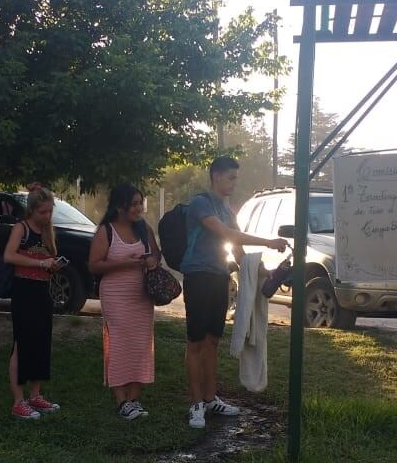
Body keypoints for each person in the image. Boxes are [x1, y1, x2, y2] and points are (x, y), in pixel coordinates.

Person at [181, 156, 287, 429]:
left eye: (235, 178)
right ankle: (195, 404)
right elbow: (228, 234)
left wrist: (260, 273)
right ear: (216, 176)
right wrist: (269, 242)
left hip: (219, 277)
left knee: (213, 340)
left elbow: (238, 251)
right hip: (198, 276)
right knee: (195, 342)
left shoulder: (228, 209)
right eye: (231, 177)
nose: (234, 183)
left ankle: (210, 397)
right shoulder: (201, 203)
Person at [89, 184, 160, 421]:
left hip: (142, 295)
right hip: (115, 295)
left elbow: (156, 255)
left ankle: (134, 399)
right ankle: (121, 401)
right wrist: (126, 263)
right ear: (120, 207)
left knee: (141, 345)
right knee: (119, 343)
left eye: (141, 203)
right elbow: (94, 265)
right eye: (134, 204)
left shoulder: (144, 229)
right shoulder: (106, 231)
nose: (139, 208)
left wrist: (150, 261)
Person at [3, 185, 62, 420]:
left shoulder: (49, 232)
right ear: (32, 210)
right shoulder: (21, 228)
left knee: (41, 342)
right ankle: (18, 400)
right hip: (24, 291)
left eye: (50, 212)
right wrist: (38, 263)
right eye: (42, 212)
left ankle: (35, 394)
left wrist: (54, 264)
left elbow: (49, 257)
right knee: (22, 343)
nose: (47, 217)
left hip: (42, 291)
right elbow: (9, 255)